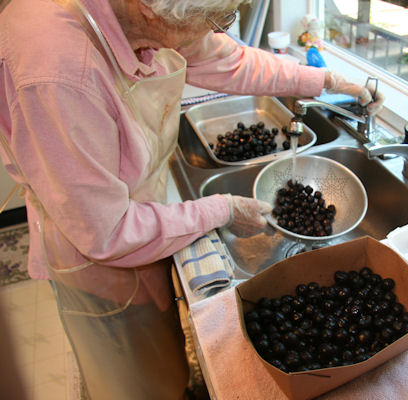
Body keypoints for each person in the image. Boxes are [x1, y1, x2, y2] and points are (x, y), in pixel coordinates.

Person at [0, 0, 384, 399]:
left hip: (140, 214)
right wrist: (222, 209)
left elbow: (231, 61)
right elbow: (107, 232)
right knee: (134, 379)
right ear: (156, 10)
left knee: (163, 354)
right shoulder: (59, 73)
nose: (220, 29)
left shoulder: (140, 16)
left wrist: (333, 83)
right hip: (97, 255)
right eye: (219, 17)